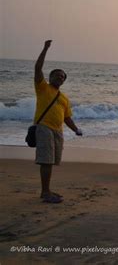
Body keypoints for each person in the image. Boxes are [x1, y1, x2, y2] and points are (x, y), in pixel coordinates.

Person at [33, 40, 82, 204]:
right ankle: (45, 193)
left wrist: (75, 129)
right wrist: (45, 48)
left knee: (51, 162)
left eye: (62, 77)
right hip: (44, 128)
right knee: (46, 161)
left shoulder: (64, 98)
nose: (60, 78)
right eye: (57, 75)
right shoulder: (43, 88)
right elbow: (37, 68)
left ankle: (47, 190)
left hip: (58, 131)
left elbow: (67, 117)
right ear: (50, 77)